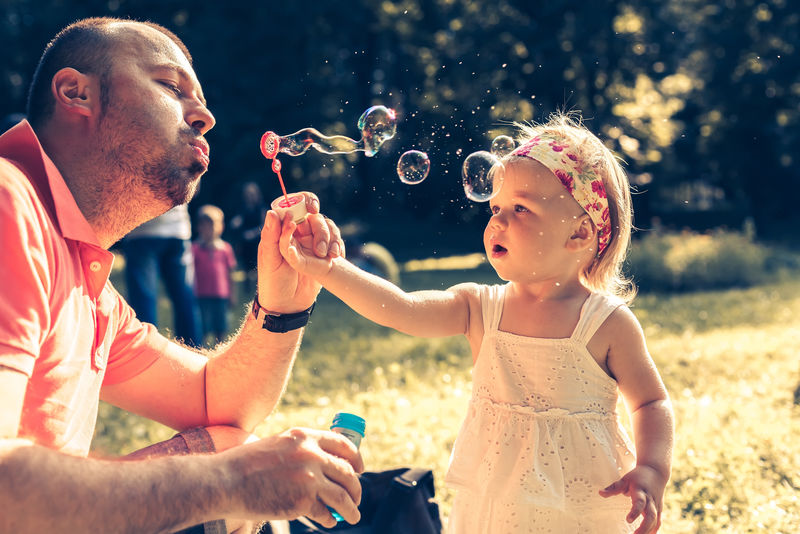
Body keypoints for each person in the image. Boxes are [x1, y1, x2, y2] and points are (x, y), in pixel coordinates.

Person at [0, 17, 361, 533]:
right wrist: (231, 484)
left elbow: (217, 401)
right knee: (227, 473)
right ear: (76, 93)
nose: (205, 116)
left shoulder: (84, 276)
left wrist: (284, 305)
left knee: (228, 447)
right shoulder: (7, 202)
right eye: (172, 86)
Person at [279, 113, 675, 533]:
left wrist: (652, 468)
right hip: (495, 500)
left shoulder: (606, 323)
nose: (497, 221)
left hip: (581, 502)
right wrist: (328, 269)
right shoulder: (480, 308)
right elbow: (401, 308)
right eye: (496, 207)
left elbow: (652, 403)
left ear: (579, 234)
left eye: (521, 208)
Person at [122, 203, 203, 347]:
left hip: (141, 230)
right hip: (177, 230)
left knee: (143, 300)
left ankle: (145, 353)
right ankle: (194, 354)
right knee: (184, 299)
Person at [193, 204, 237, 345]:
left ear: (220, 227)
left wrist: (232, 294)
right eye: (204, 226)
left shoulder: (225, 249)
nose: (208, 230)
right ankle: (202, 349)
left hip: (221, 296)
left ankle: (220, 350)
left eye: (212, 225)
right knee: (203, 327)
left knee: (221, 326)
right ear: (198, 227)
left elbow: (231, 273)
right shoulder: (194, 249)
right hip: (201, 295)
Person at [229, 181, 269, 294]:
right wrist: (235, 222)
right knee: (246, 267)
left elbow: (264, 225)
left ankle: (260, 289)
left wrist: (254, 233)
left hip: (257, 241)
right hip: (245, 242)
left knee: (259, 266)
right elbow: (239, 220)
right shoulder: (243, 208)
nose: (250, 196)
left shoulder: (261, 208)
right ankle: (247, 290)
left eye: (252, 194)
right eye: (248, 194)